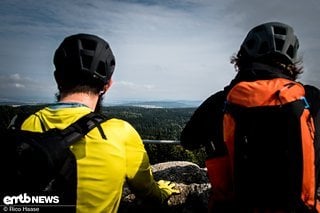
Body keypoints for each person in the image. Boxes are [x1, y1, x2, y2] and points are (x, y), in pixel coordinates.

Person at [19, 33, 179, 212]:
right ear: (107, 85)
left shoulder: (25, 125)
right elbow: (147, 192)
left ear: (57, 79)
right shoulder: (121, 132)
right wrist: (163, 192)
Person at [180, 22, 320, 212]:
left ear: (241, 59)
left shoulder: (220, 102)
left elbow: (188, 140)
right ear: (291, 65)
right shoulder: (311, 99)